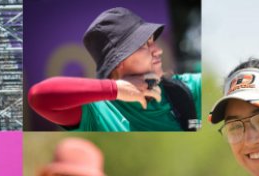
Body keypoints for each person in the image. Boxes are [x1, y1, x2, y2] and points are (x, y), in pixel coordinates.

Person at [28, 7, 200, 132]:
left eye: (152, 40)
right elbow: (38, 97)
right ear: (119, 61)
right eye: (144, 44)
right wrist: (116, 89)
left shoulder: (185, 90)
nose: (158, 50)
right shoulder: (97, 112)